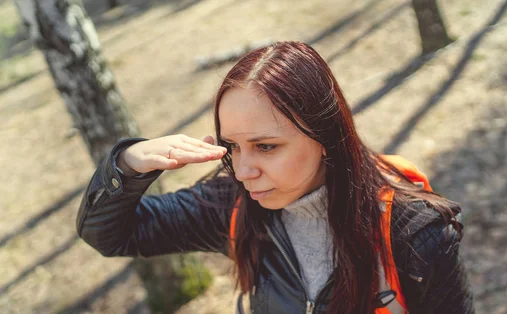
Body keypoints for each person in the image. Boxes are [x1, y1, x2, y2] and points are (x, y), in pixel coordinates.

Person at [76, 41, 474, 314]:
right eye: (232, 146)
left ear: (325, 138)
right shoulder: (229, 203)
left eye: (266, 146)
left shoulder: (417, 234)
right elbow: (110, 235)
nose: (244, 171)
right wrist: (126, 166)